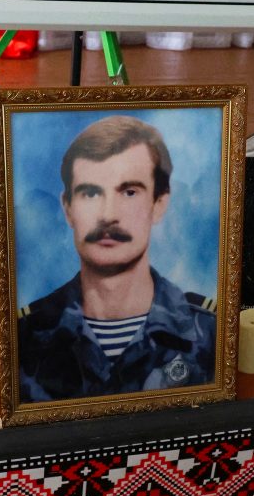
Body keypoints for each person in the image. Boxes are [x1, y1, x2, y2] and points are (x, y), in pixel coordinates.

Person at [17, 115, 216, 403]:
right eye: (90, 193)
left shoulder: (210, 332)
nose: (108, 214)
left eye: (129, 192)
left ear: (159, 204)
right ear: (68, 208)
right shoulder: (24, 336)